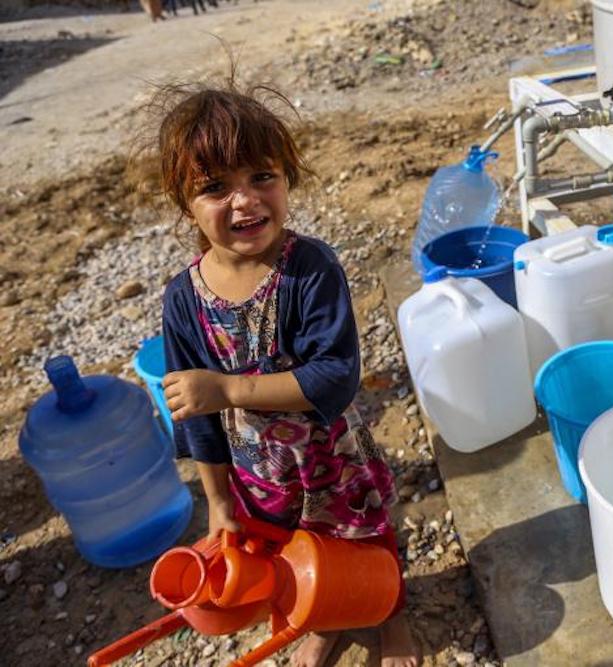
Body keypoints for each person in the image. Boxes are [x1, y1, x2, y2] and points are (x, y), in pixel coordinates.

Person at [153, 82, 421, 667]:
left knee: (365, 540)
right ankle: (327, 618)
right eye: (215, 188)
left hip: (331, 459)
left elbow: (333, 378)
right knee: (297, 557)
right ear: (185, 205)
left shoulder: (309, 270)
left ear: (287, 178)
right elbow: (194, 418)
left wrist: (226, 389)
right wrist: (219, 502)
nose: (245, 201)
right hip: (260, 475)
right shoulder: (182, 301)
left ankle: (392, 613)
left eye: (261, 177)